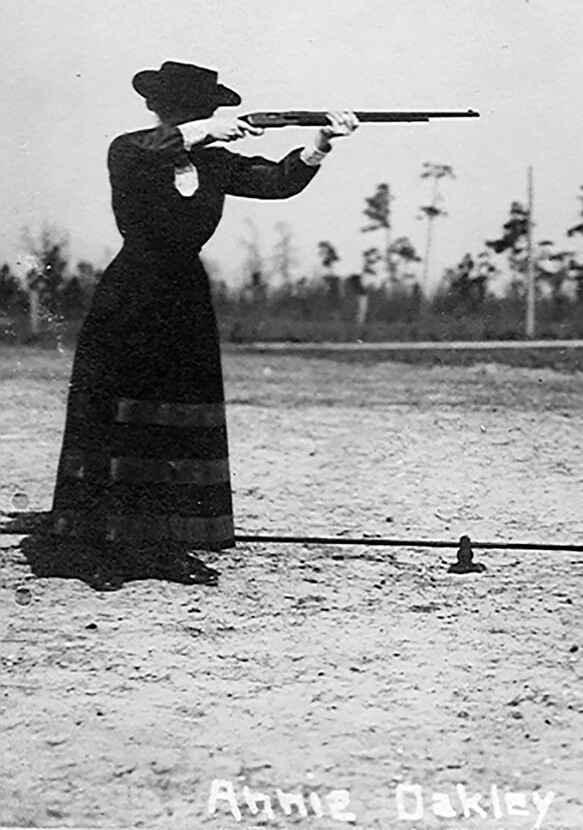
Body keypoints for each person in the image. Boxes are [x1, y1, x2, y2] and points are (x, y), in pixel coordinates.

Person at [42, 60, 358, 590]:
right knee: (116, 415)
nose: (207, 116)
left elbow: (276, 182)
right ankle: (98, 547)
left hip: (183, 297)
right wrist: (199, 133)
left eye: (208, 111)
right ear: (162, 110)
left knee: (177, 419)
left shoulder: (214, 163)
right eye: (197, 111)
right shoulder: (129, 150)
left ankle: (168, 545)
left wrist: (321, 142)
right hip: (132, 294)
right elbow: (154, 150)